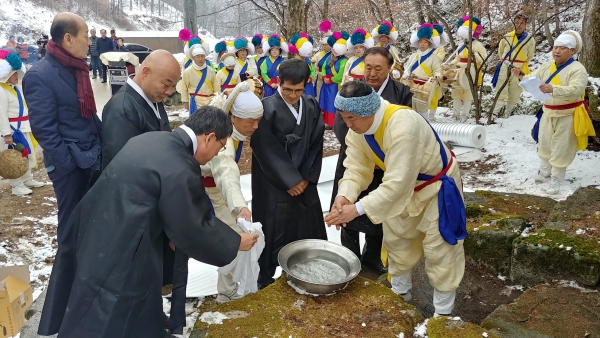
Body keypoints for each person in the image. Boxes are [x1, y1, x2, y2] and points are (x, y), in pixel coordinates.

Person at [37, 107, 260, 337]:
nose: (215, 155)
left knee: (88, 298)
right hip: (126, 243)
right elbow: (192, 225)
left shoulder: (150, 139)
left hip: (97, 225)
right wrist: (235, 242)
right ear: (210, 137)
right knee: (113, 309)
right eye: (220, 148)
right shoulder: (180, 164)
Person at [325, 80, 466, 317]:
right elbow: (357, 168)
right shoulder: (358, 130)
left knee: (440, 246)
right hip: (400, 188)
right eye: (343, 117)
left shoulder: (403, 126)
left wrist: (357, 210)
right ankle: (400, 294)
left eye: (351, 118)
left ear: (368, 111)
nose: (347, 125)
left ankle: (443, 313)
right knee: (397, 238)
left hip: (436, 187)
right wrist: (344, 197)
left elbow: (399, 182)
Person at [330, 47, 412, 275]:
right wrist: (363, 148)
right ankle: (350, 256)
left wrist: (382, 156)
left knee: (379, 214)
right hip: (355, 156)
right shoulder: (351, 90)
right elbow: (343, 126)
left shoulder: (401, 92)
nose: (372, 73)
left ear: (390, 68)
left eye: (378, 68)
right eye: (368, 67)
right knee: (346, 208)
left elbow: (404, 133)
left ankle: (372, 257)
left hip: (388, 166)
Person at [23, 12, 101, 242]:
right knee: (71, 225)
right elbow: (44, 129)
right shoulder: (40, 75)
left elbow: (86, 113)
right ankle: (67, 272)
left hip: (90, 156)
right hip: (69, 166)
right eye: (86, 36)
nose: (89, 42)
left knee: (89, 221)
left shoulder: (77, 68)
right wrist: (67, 165)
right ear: (68, 39)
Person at [251, 58, 326, 289]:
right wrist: (290, 180)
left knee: (306, 223)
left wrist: (304, 178)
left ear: (306, 85)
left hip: (304, 179)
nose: (293, 95)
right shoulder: (265, 107)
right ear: (278, 83)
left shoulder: (311, 105)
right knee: (273, 226)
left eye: (298, 90)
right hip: (273, 182)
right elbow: (264, 147)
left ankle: (305, 270)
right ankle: (264, 277)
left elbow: (316, 143)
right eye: (287, 89)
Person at [200, 81, 263, 305]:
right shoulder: (222, 141)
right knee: (235, 238)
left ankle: (229, 289)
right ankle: (226, 293)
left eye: (258, 120)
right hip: (212, 194)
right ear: (234, 118)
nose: (256, 126)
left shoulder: (229, 129)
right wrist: (240, 207)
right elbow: (226, 174)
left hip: (219, 191)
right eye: (251, 121)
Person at [512, 30, 594, 194]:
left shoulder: (578, 69)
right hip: (548, 112)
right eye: (555, 47)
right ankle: (544, 171)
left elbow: (576, 90)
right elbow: (533, 80)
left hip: (567, 114)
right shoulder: (546, 66)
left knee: (562, 146)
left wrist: (553, 88)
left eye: (562, 48)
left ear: (571, 51)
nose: (556, 50)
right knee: (544, 142)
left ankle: (557, 178)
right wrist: (522, 77)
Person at [101, 49, 180, 169]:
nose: (169, 92)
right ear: (146, 72)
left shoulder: (153, 97)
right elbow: (125, 165)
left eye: (173, 86)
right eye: (166, 84)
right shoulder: (121, 108)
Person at [0, 51, 45, 196]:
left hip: (23, 127)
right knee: (14, 157)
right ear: (6, 75)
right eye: (14, 74)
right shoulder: (1, 91)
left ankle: (27, 178)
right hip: (12, 131)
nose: (16, 76)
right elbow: (1, 114)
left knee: (26, 154)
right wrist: (7, 134)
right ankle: (16, 184)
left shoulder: (15, 89)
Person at [491, 13, 536, 119]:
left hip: (519, 67)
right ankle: (494, 114)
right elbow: (500, 51)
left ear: (525, 25)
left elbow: (530, 55)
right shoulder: (507, 37)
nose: (519, 25)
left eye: (522, 23)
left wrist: (520, 63)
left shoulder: (530, 39)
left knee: (515, 90)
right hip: (506, 65)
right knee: (501, 88)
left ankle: (508, 115)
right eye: (517, 23)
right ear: (514, 23)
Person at [449, 15, 488, 122]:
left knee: (468, 93)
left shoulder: (478, 45)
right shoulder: (461, 45)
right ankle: (456, 114)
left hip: (471, 71)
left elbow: (484, 59)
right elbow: (457, 58)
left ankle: (465, 115)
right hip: (458, 71)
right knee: (456, 93)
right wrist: (451, 65)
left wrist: (474, 54)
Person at [403, 23, 443, 121]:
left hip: (425, 85)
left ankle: (425, 125)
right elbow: (408, 67)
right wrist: (406, 73)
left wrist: (437, 75)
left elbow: (437, 70)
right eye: (420, 42)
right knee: (411, 105)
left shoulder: (433, 57)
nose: (422, 44)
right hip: (412, 84)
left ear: (429, 43)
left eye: (425, 42)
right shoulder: (413, 56)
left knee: (423, 107)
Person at [320, 31, 349, 128]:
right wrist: (324, 77)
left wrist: (331, 80)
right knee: (325, 102)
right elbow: (324, 67)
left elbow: (341, 74)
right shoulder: (329, 57)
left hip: (335, 85)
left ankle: (334, 123)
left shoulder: (344, 60)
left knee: (333, 103)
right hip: (326, 83)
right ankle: (326, 121)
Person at [181, 37, 215, 114]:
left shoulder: (211, 70)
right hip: (195, 102)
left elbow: (215, 86)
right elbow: (184, 87)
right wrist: (185, 102)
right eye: (198, 56)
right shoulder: (187, 71)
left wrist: (218, 99)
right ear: (193, 57)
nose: (200, 59)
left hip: (210, 101)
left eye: (202, 56)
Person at [288, 32, 317, 97]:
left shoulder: (308, 60)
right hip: (298, 85)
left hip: (308, 85)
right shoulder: (294, 61)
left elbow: (312, 70)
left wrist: (310, 78)